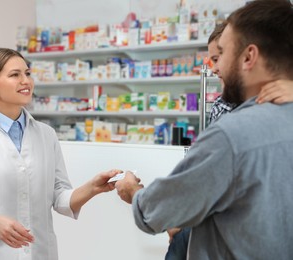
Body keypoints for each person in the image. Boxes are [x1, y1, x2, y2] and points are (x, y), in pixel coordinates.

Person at [115, 0, 293, 259]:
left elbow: (153, 212)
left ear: (248, 57)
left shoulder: (231, 136)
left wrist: (131, 190)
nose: (214, 66)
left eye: (223, 52)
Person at [0, 48, 121, 260]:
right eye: (15, 75)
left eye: (27, 73)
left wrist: (92, 188)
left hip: (40, 253)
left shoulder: (46, 135)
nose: (25, 81)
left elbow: (60, 198)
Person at [165, 20, 293, 260]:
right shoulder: (222, 106)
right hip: (214, 217)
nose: (214, 68)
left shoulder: (276, 101)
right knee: (181, 244)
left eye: (218, 57)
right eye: (213, 59)